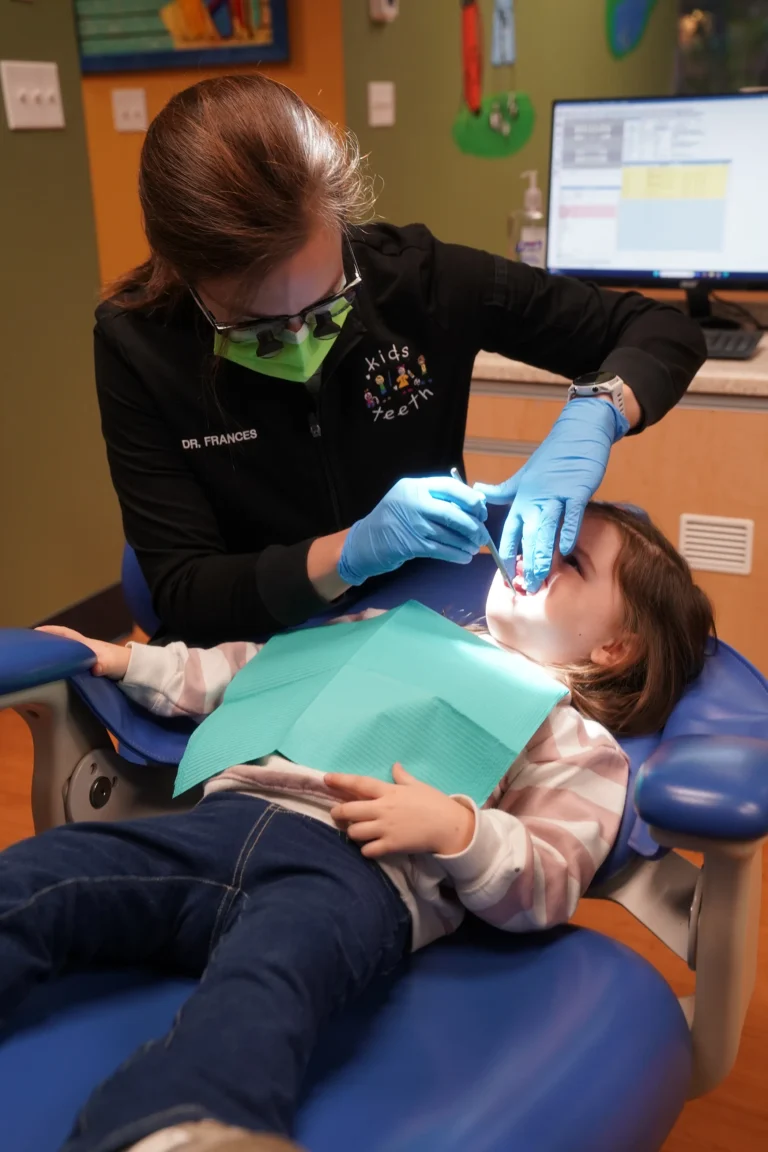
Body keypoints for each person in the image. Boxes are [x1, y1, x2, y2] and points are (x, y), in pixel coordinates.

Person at [3, 505, 714, 1152]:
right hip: (218, 824)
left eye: (573, 562)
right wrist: (129, 661)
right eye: (540, 537)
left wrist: (459, 831)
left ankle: (174, 1125)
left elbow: (548, 880)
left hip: (354, 875)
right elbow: (251, 672)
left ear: (615, 648)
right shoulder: (392, 630)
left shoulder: (575, 739)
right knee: (46, 873)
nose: (533, 556)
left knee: (270, 984)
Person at [95, 74, 707, 645]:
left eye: (324, 305)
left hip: (425, 622)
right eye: (258, 327)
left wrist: (598, 411)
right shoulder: (140, 345)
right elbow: (183, 593)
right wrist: (350, 551)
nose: (301, 337)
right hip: (251, 650)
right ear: (183, 272)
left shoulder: (416, 280)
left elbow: (662, 329)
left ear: (338, 218)